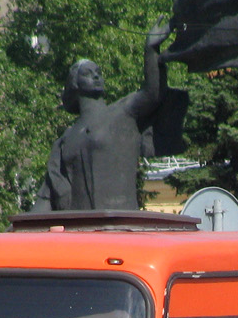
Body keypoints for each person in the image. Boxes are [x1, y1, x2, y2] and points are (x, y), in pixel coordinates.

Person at [33, 23, 173, 211]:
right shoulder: (64, 141)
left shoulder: (122, 114)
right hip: (79, 233)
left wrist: (151, 50)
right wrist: (18, 231)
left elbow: (152, 92)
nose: (97, 76)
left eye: (98, 73)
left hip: (119, 229)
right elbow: (47, 198)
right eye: (88, 74)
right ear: (74, 83)